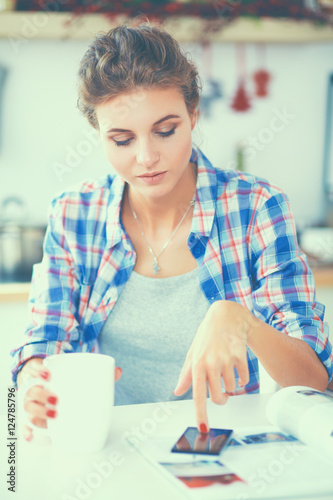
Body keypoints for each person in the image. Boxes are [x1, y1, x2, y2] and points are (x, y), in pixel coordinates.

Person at [11, 23, 332, 443]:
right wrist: (35, 379)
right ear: (98, 134)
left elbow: (313, 379)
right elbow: (44, 343)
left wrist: (239, 320)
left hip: (230, 450)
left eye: (165, 131)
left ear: (193, 115)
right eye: (122, 139)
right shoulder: (74, 214)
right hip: (113, 449)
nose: (147, 158)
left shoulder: (256, 207)